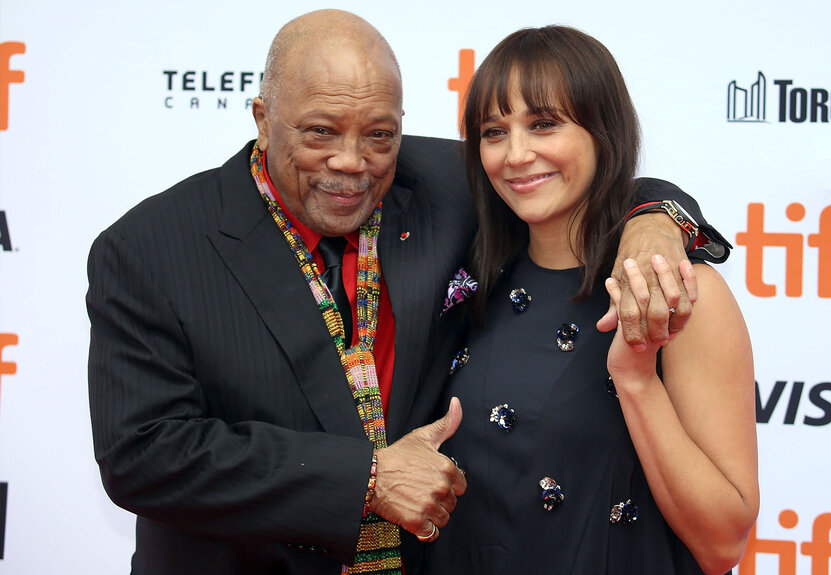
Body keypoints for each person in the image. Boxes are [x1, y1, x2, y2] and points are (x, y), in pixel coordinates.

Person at [86, 10, 730, 575]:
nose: (351, 161)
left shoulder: (447, 185)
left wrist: (657, 219)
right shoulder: (151, 249)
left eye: (379, 134)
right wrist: (364, 481)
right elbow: (142, 453)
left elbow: (582, 173)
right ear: (262, 118)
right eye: (318, 132)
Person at [427, 25, 758, 575]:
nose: (516, 154)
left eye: (543, 124)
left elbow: (723, 543)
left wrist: (636, 381)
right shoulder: (467, 281)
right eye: (492, 131)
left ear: (602, 130)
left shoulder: (676, 294)